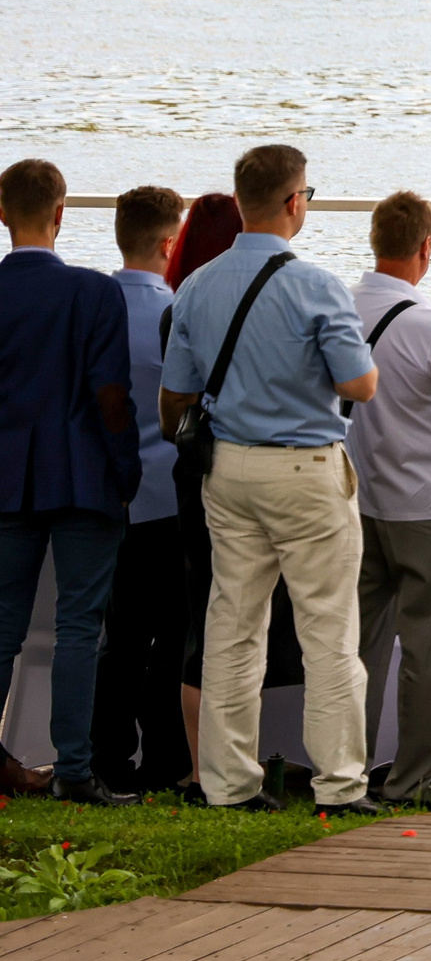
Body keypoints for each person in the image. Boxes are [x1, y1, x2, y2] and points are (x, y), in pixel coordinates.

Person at [159, 145, 382, 814]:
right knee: (329, 629)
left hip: (228, 468)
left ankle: (227, 784)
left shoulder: (196, 285)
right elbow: (360, 385)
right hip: (306, 470)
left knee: (232, 624)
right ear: (294, 202)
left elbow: (174, 398)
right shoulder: (317, 286)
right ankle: (339, 785)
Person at [0, 158, 141, 805]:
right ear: (61, 213)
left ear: (2, 213)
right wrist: (125, 471)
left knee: (2, 626)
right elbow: (112, 397)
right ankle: (75, 770)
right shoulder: (93, 292)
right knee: (81, 625)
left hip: (4, 481)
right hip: (83, 476)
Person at [349, 192, 431, 806]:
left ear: (376, 241)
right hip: (425, 505)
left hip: (358, 501)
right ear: (426, 248)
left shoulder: (341, 308)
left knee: (356, 646)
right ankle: (415, 778)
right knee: (427, 649)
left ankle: (347, 767)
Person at [89, 186, 190, 794]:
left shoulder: (92, 309)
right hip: (169, 493)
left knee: (117, 635)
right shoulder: (175, 313)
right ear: (168, 242)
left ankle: (106, 755)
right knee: (173, 633)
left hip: (107, 494)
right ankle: (165, 759)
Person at [163, 191, 244, 791]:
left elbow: (173, 410)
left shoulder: (182, 302)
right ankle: (238, 763)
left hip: (196, 471)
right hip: (257, 468)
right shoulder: (268, 298)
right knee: (244, 620)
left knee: (202, 617)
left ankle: (199, 769)